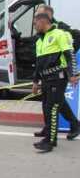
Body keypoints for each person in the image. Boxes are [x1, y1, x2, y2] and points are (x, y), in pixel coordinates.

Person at [32, 13, 79, 152]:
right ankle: (49, 136)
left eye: (35, 23)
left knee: (52, 109)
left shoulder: (59, 34)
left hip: (58, 78)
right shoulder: (40, 40)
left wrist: (72, 74)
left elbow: (69, 55)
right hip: (46, 79)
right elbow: (39, 63)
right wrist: (35, 81)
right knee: (47, 108)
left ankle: (50, 142)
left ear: (43, 21)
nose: (34, 26)